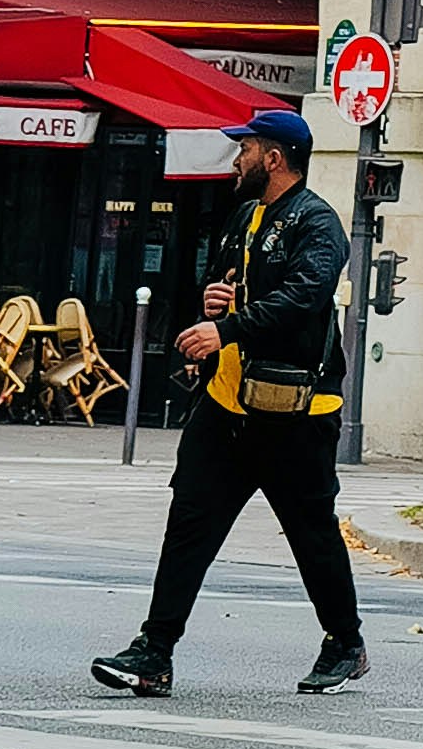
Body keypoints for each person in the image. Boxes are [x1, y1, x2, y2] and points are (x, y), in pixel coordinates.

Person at [87, 108, 370, 701]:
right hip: (225, 405)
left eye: (246, 149)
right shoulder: (245, 215)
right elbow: (229, 289)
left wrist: (231, 326)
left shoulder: (317, 224)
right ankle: (153, 653)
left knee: (310, 533)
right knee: (189, 524)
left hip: (293, 413)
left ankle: (345, 642)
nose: (236, 158)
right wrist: (215, 304)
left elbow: (302, 298)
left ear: (273, 157)